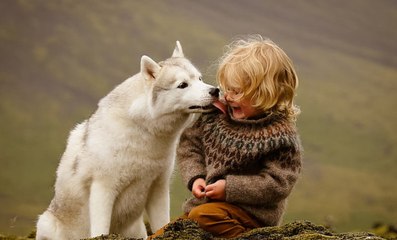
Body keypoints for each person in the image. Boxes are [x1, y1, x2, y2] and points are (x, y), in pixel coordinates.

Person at [150, 35, 303, 239]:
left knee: (204, 216)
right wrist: (196, 177)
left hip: (250, 215)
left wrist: (229, 189)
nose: (228, 96)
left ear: (266, 93)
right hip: (204, 208)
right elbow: (190, 146)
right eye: (227, 88)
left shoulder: (281, 135)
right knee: (162, 235)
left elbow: (278, 184)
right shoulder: (216, 114)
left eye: (237, 91)